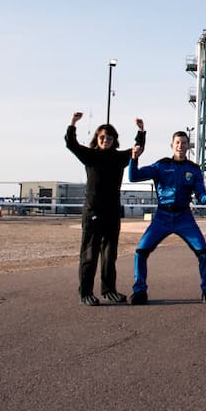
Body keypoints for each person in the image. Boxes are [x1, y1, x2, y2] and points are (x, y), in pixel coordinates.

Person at [127, 129, 206, 305]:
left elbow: (202, 198)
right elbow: (134, 176)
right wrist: (134, 158)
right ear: (171, 145)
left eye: (184, 143)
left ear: (188, 146)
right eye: (177, 143)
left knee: (203, 252)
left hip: (184, 216)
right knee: (140, 252)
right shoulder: (161, 166)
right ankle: (139, 290)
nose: (180, 146)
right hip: (162, 216)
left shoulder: (193, 170)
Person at [64, 112, 145, 306]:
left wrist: (141, 131)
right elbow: (71, 144)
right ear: (97, 138)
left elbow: (137, 150)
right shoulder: (90, 156)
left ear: (114, 140)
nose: (105, 140)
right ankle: (85, 292)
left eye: (109, 137)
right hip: (93, 212)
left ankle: (109, 290)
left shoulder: (119, 158)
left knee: (109, 255)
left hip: (112, 213)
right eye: (102, 137)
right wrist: (73, 123)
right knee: (89, 255)